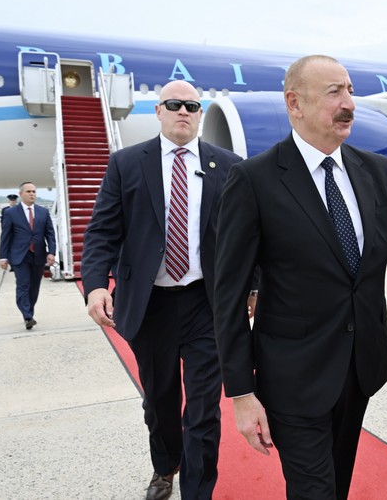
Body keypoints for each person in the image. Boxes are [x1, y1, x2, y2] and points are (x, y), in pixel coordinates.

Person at [213, 55, 387, 499]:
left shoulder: (377, 172)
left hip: (359, 370)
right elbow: (228, 296)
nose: (350, 104)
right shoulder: (254, 180)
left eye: (351, 91)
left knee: (336, 484)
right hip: (292, 376)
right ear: (294, 103)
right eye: (334, 92)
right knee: (314, 490)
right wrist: (241, 393)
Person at [82, 80, 243, 500]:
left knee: (204, 406)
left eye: (192, 105)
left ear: (199, 114)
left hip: (205, 302)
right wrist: (96, 285)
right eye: (174, 104)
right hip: (149, 304)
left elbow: (248, 234)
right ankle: (165, 466)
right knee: (159, 402)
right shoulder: (127, 164)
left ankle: (197, 491)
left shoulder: (228, 165)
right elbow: (102, 231)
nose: (183, 111)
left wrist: (254, 286)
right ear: (158, 111)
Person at [0, 182, 56, 330]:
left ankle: (29, 311)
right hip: (19, 256)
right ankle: (27, 316)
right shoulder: (11, 213)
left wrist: (51, 252)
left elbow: (50, 234)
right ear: (21, 194)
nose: (32, 194)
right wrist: (3, 257)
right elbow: (5, 236)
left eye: (34, 191)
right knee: (23, 285)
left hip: (38, 255)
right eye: (29, 191)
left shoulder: (43, 212)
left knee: (34, 287)